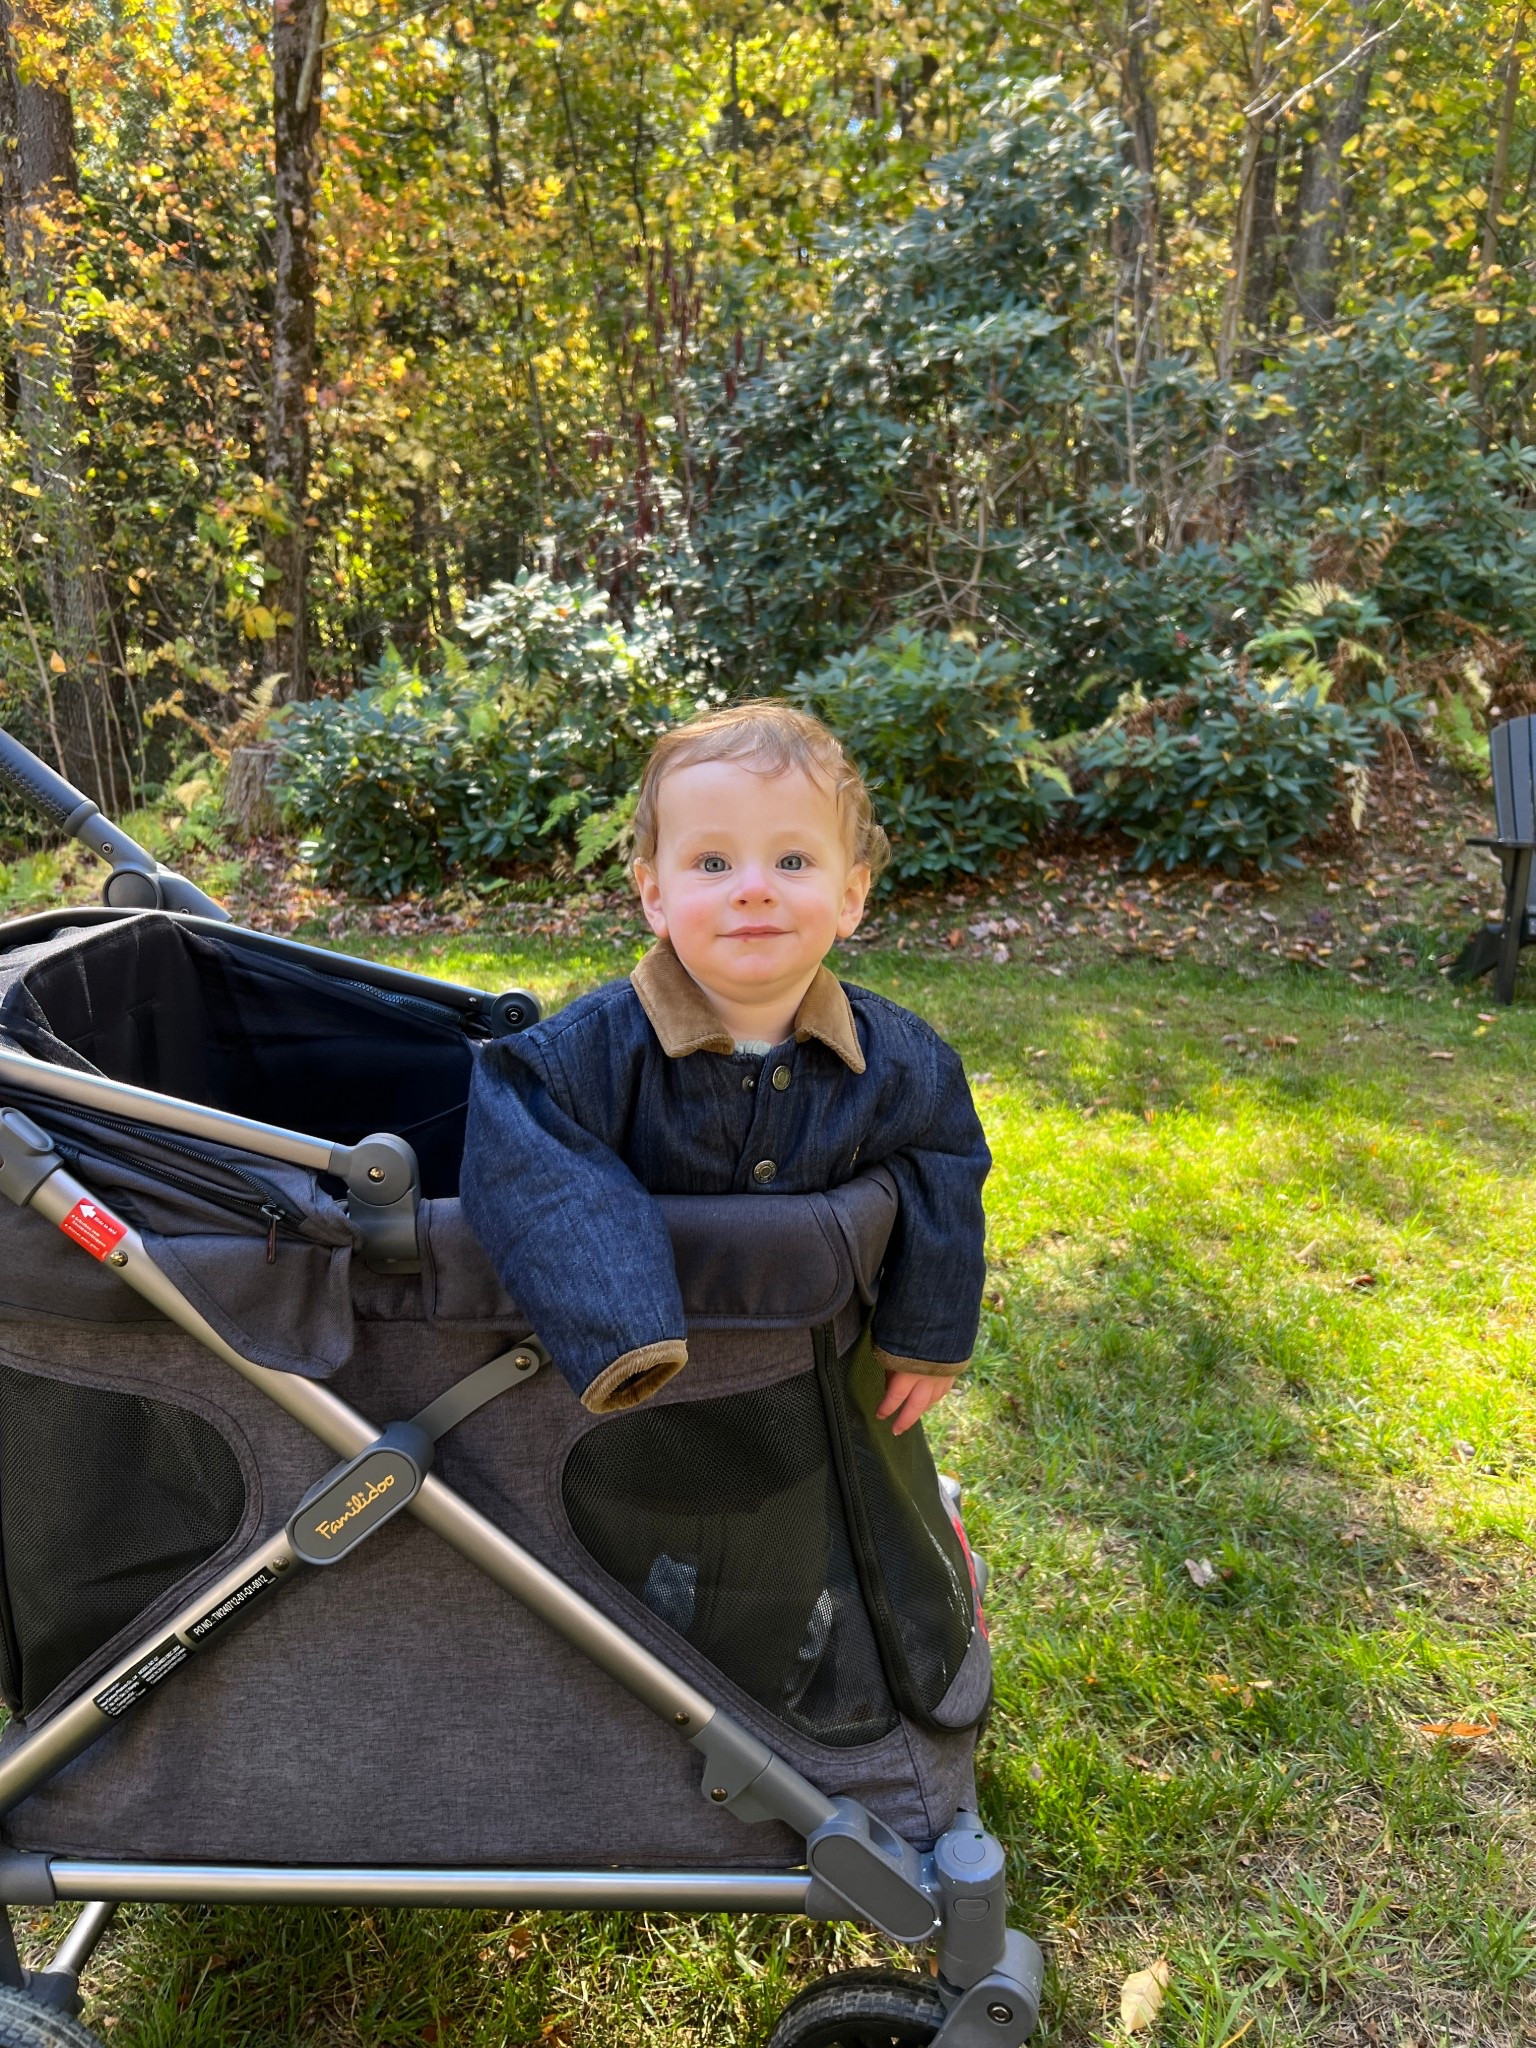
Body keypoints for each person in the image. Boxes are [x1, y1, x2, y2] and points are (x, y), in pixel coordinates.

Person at [460, 701, 990, 1430]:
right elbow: (520, 1150)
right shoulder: (572, 1062)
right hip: (618, 1422)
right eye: (713, 863)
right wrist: (622, 1328)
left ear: (850, 897)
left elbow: (945, 1168)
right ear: (655, 896)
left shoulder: (906, 1064)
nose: (753, 887)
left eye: (792, 861)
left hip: (800, 1402)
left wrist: (927, 1336)